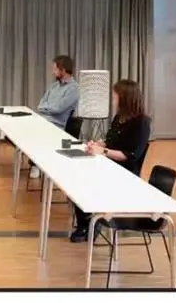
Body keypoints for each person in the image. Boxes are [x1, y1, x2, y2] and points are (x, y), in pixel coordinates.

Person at [69, 79, 151, 243]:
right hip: (109, 163)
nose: (113, 99)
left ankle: (92, 222)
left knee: (84, 182)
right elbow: (110, 141)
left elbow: (131, 155)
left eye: (115, 96)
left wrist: (104, 151)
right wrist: (98, 144)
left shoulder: (141, 123)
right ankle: (85, 222)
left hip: (125, 171)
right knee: (75, 177)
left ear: (125, 98)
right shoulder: (119, 117)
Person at [30, 55, 80, 179]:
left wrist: (46, 107)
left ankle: (36, 164)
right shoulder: (53, 86)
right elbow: (40, 105)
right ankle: (36, 161)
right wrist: (48, 107)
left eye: (55, 69)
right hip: (43, 120)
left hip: (57, 126)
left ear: (63, 69)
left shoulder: (74, 89)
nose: (53, 72)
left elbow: (59, 109)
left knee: (33, 133)